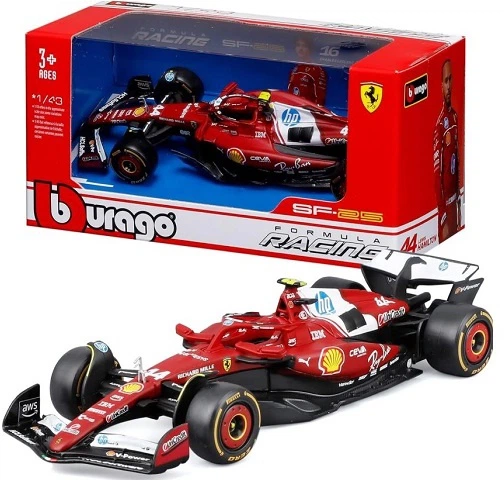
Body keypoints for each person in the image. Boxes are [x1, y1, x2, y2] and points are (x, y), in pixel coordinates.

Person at [433, 59, 463, 242]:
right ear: (441, 85)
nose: (449, 85)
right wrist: (443, 213)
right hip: (446, 210)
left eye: (451, 79)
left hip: (456, 204)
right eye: (446, 81)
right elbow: (437, 175)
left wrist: (459, 198)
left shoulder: (455, 117)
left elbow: (457, 161)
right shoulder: (440, 125)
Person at [288, 37, 327, 105]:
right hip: (293, 108)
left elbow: (320, 98)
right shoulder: (295, 69)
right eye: (298, 45)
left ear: (310, 49)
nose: (300, 49)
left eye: (304, 46)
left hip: (307, 109)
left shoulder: (316, 69)